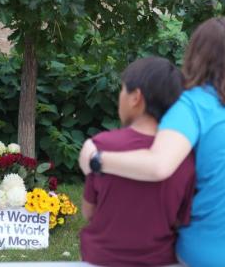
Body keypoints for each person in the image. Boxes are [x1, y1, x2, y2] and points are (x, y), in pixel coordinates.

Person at [79, 17, 225, 267]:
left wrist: (97, 159)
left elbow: (158, 166)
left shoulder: (191, 105)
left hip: (211, 255)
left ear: (195, 57)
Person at [80, 56, 195, 267]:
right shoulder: (184, 158)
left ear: (135, 98)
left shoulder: (101, 145)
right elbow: (181, 220)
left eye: (123, 89)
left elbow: (88, 211)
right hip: (160, 259)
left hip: (101, 259)